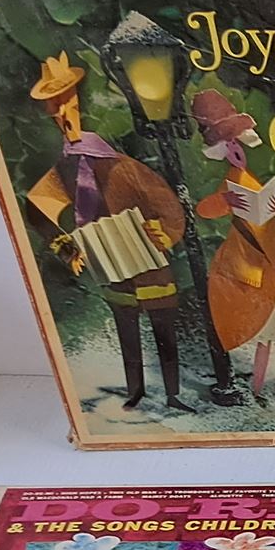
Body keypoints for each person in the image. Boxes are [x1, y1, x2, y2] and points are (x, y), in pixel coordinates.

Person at [25, 52, 192, 412]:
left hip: (147, 261)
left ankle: (173, 394)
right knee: (127, 330)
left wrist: (165, 233)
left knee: (164, 331)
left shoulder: (123, 168)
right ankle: (136, 392)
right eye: (54, 109)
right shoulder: (66, 169)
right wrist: (67, 248)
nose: (61, 115)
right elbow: (37, 207)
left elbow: (165, 202)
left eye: (66, 104)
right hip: (110, 264)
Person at [191, 91, 275, 399]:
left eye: (236, 140)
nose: (235, 149)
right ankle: (259, 388)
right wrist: (226, 200)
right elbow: (206, 209)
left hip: (272, 250)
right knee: (266, 337)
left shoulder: (248, 175)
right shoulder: (233, 178)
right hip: (250, 255)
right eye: (228, 144)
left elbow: (266, 211)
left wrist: (272, 205)